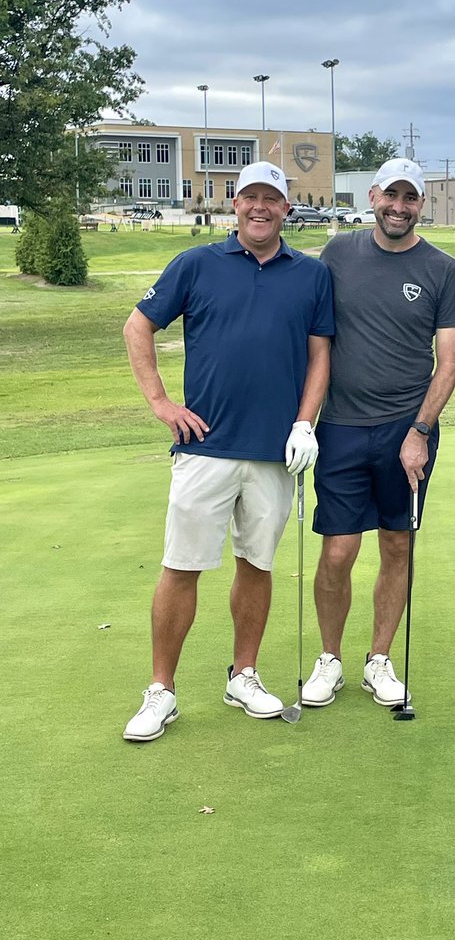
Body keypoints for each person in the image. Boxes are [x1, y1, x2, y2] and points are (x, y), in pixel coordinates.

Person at [121, 161, 334, 742]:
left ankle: (244, 675)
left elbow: (320, 356)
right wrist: (162, 403)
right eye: (250, 198)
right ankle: (161, 690)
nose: (260, 207)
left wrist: (305, 423)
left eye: (271, 198)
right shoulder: (196, 263)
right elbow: (138, 327)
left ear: (286, 208)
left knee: (257, 565)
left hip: (275, 451)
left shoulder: (311, 275)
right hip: (205, 446)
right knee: (181, 566)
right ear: (234, 205)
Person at [301, 157, 455, 709]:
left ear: (421, 204)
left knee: (397, 544)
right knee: (338, 551)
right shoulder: (337, 253)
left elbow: (449, 362)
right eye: (390, 196)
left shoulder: (442, 269)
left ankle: (379, 659)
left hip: (407, 429)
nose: (399, 207)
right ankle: (330, 659)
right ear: (373, 196)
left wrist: (420, 430)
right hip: (342, 426)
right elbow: (315, 337)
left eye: (410, 198)